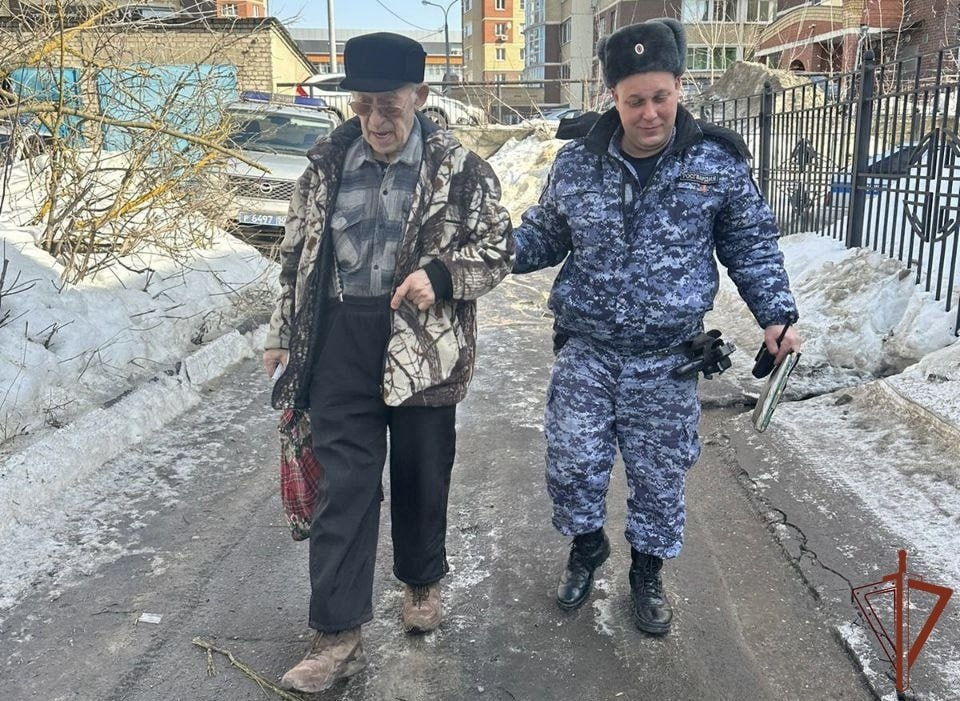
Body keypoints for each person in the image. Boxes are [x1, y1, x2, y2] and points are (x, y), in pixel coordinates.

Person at [511, 18, 802, 636]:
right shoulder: (577, 163)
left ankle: (647, 573)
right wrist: (484, 253)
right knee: (572, 463)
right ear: (612, 97)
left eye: (660, 97)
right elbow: (545, 235)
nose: (649, 113)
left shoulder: (715, 162)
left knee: (659, 477)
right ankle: (588, 547)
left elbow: (750, 245)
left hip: (667, 358)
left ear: (679, 86)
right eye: (634, 100)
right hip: (588, 349)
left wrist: (776, 316)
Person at [262, 32, 514, 693]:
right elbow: (294, 256)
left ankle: (421, 581)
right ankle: (336, 634)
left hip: (425, 344)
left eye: (389, 106)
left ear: (420, 96)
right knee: (342, 486)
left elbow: (499, 249)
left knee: (421, 473)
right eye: (363, 105)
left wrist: (443, 275)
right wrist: (282, 332)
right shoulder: (324, 166)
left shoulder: (461, 171)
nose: (375, 120)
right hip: (339, 340)